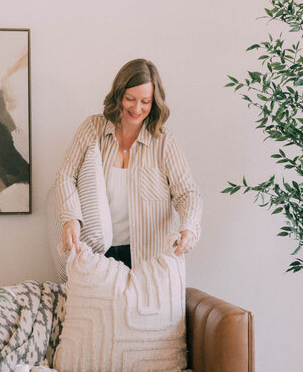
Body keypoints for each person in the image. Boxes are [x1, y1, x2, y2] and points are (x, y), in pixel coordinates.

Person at [56, 58, 202, 269]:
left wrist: (188, 228)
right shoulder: (92, 129)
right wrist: (71, 218)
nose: (137, 108)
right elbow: (66, 176)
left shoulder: (164, 142)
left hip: (147, 257)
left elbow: (187, 193)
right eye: (130, 99)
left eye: (145, 101)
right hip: (97, 253)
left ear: (154, 103)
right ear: (119, 95)